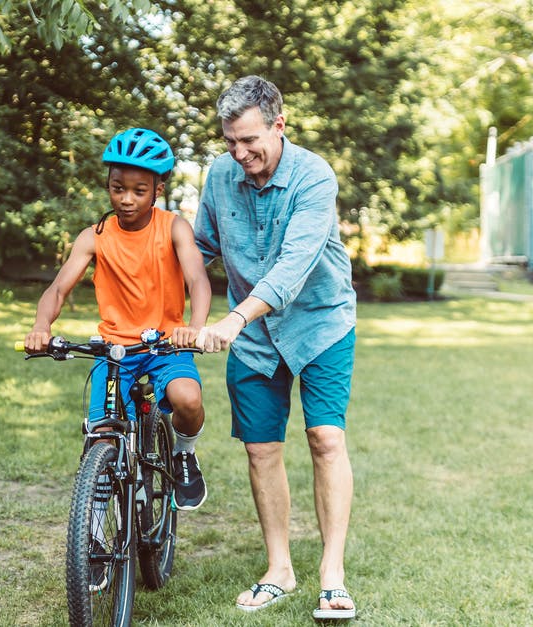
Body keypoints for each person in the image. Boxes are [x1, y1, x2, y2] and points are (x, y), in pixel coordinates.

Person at [194, 76, 358, 620]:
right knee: (261, 449)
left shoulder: (314, 177)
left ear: (279, 126)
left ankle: (331, 575)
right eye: (230, 142)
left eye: (250, 141)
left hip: (319, 323)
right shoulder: (220, 176)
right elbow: (199, 248)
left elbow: (294, 266)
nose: (240, 154)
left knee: (325, 438)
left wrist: (235, 316)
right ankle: (279, 569)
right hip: (254, 339)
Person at [25, 127, 211, 511]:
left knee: (186, 398)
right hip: (114, 351)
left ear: (158, 189)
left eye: (138, 191)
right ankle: (91, 532)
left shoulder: (173, 227)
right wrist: (42, 326)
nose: (126, 199)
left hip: (165, 344)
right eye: (117, 188)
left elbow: (198, 280)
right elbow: (58, 289)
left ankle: (184, 454)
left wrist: (195, 327)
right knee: (103, 438)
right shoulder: (95, 236)